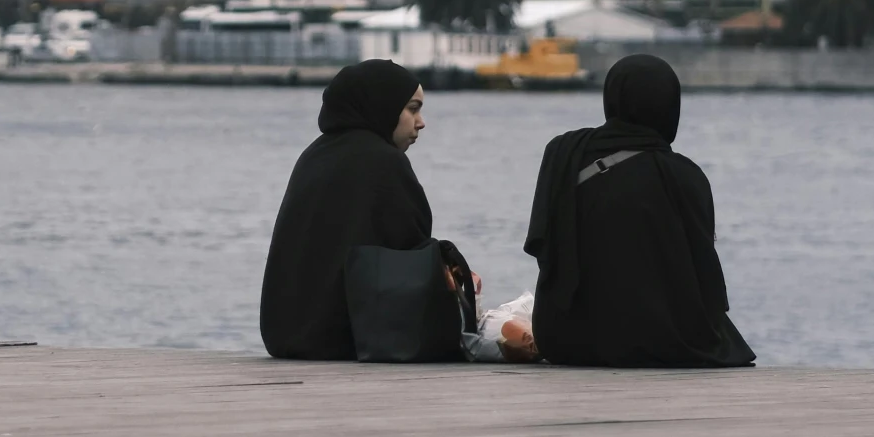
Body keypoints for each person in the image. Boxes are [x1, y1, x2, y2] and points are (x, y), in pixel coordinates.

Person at [524, 53, 754, 370]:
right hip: (659, 341)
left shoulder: (564, 152)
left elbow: (545, 250)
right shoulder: (686, 176)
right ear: (670, 105)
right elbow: (706, 283)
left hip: (565, 337)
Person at [260, 60, 481, 360]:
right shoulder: (384, 162)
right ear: (384, 107)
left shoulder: (313, 156)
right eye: (413, 109)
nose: (421, 122)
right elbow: (408, 255)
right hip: (345, 340)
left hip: (283, 334)